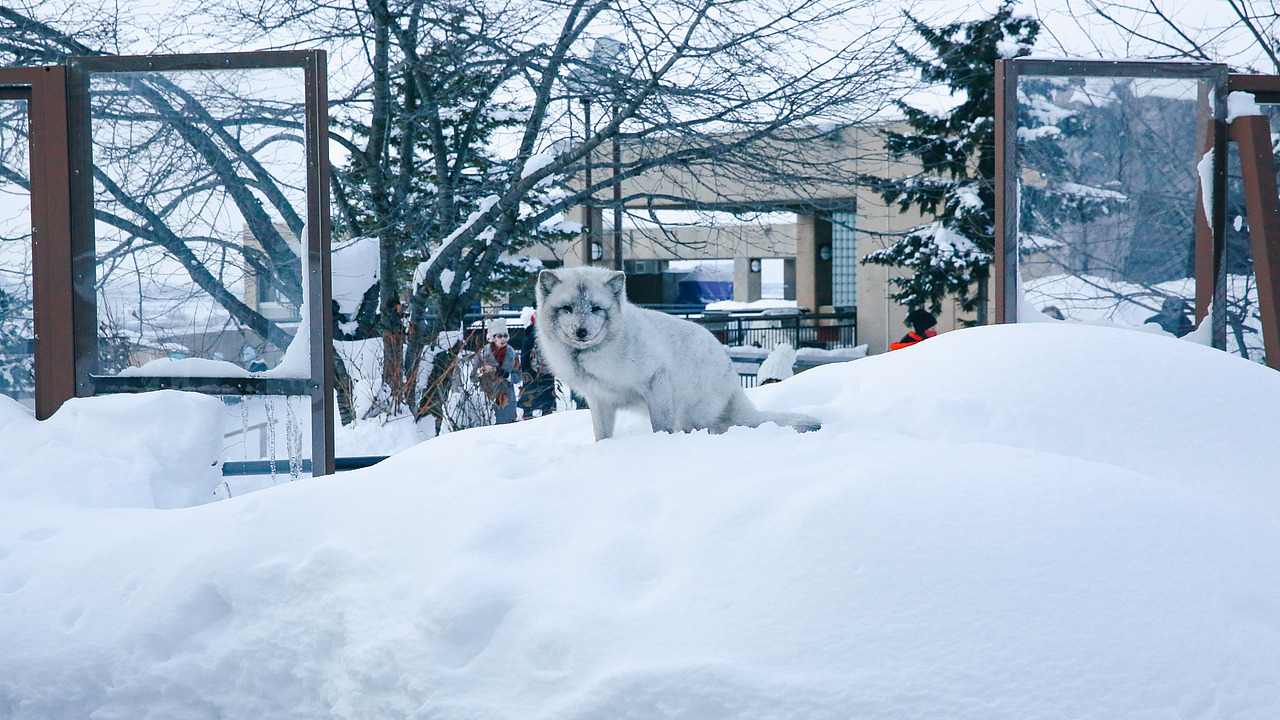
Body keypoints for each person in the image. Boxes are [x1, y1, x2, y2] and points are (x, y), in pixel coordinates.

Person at [477, 317, 519, 424]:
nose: (503, 339)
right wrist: (482, 371)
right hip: (488, 397)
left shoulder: (512, 353)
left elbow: (519, 376)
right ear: (493, 337)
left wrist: (507, 375)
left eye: (505, 335)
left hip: (507, 399)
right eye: (499, 336)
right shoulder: (483, 353)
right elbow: (473, 376)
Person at [517, 310, 557, 419]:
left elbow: (524, 354)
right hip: (543, 371)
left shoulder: (530, 334)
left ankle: (532, 415)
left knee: (535, 396)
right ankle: (540, 415)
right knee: (542, 397)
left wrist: (526, 370)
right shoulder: (546, 334)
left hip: (537, 371)